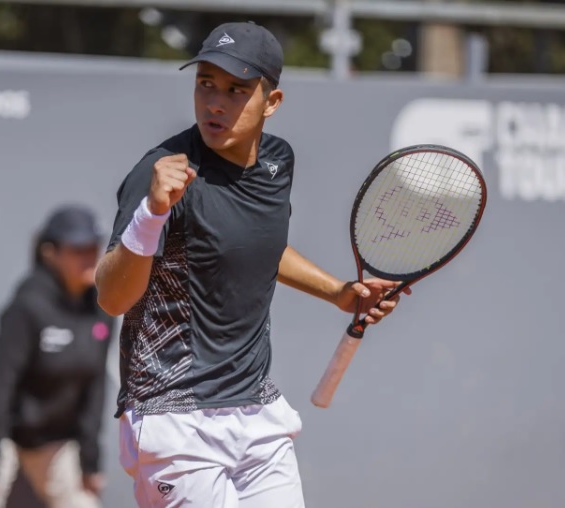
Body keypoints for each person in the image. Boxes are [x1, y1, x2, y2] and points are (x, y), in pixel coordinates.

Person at [94, 21, 410, 508]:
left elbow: (256, 244)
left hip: (256, 412)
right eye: (205, 84)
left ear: (272, 102)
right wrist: (152, 213)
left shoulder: (276, 163)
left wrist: (340, 292)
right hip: (174, 418)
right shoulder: (159, 173)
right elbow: (113, 297)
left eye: (236, 90)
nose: (215, 103)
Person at [0, 204, 116, 508]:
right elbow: (0, 384)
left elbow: (95, 387)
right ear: (50, 253)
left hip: (53, 437)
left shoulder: (102, 309)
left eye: (93, 246)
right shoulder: (28, 305)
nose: (89, 255)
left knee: (84, 504)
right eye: (78, 248)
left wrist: (90, 461)